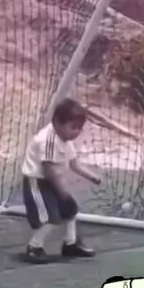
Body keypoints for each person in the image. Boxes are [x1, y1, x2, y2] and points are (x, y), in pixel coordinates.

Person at [21, 98, 101, 264]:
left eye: (80, 128)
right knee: (51, 217)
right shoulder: (48, 140)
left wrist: (91, 176)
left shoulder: (65, 140)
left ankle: (70, 244)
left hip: (51, 182)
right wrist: (61, 192)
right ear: (57, 122)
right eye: (73, 127)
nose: (77, 132)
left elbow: (74, 163)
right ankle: (34, 248)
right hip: (38, 183)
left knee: (70, 210)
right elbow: (49, 170)